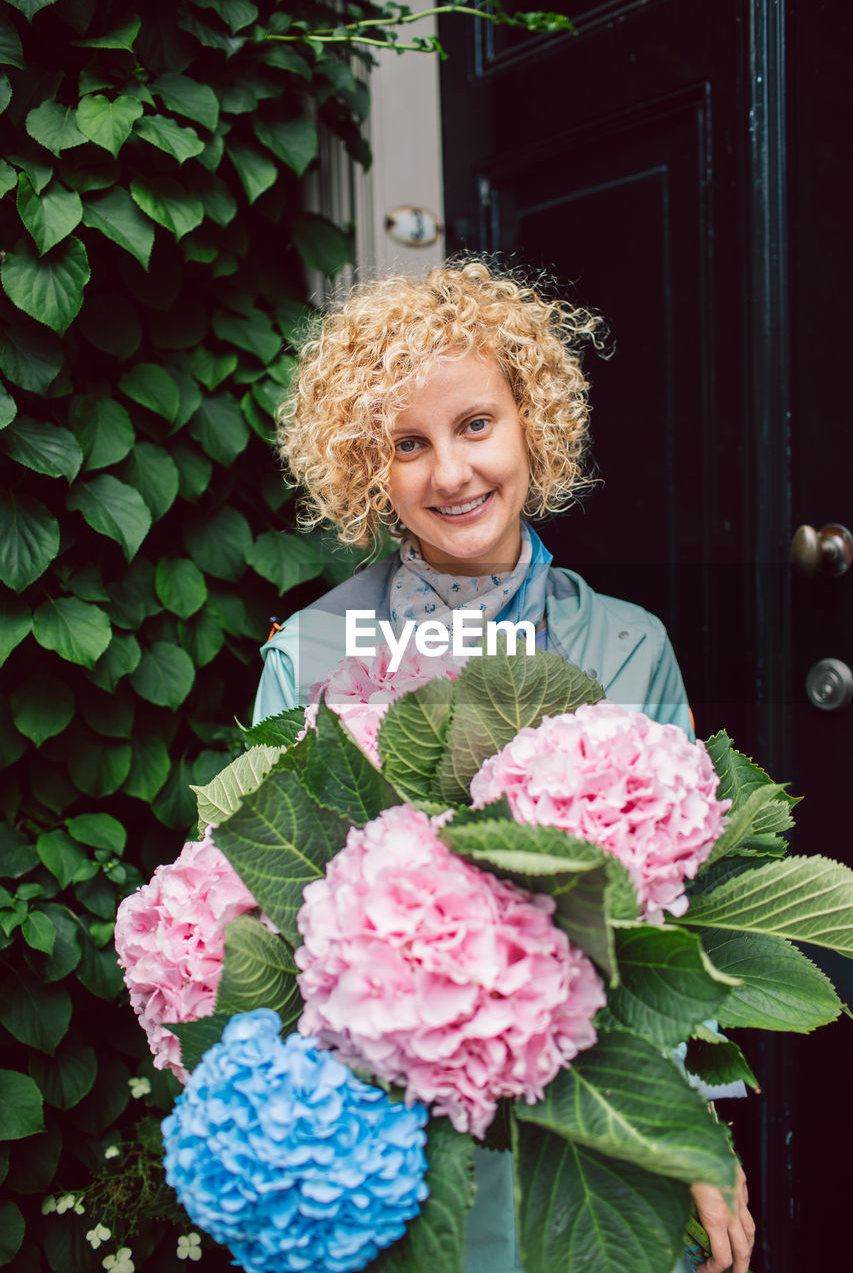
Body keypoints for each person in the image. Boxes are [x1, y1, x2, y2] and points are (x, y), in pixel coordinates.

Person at [252, 260, 756, 1273]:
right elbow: (264, 923)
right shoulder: (308, 657)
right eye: (407, 443)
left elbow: (681, 926)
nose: (449, 473)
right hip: (388, 1138)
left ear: (532, 421)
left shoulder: (623, 648)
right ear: (366, 466)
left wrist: (697, 1139)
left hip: (592, 1122)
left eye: (475, 423)